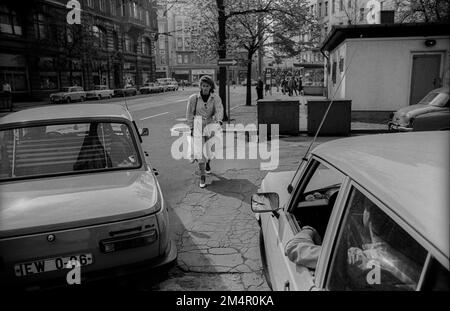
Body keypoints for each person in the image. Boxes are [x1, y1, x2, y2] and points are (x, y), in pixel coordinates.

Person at [186, 75, 223, 188]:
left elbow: (219, 109)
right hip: (197, 125)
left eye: (207, 86)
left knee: (210, 150)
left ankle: (208, 164)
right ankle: (202, 176)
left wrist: (219, 121)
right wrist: (191, 127)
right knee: (200, 152)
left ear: (211, 86)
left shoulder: (215, 97)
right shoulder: (193, 98)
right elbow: (189, 114)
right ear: (200, 86)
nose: (205, 88)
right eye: (203, 86)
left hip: (210, 125)